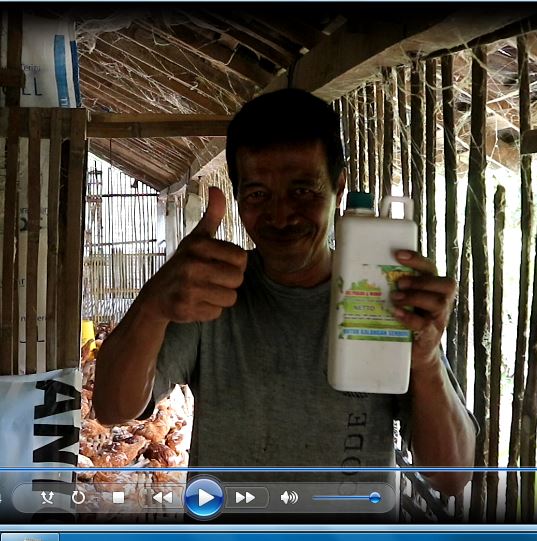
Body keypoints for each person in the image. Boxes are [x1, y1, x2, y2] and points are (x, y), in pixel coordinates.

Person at [93, 88, 476, 497]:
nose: (280, 215)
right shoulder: (212, 295)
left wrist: (426, 360)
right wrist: (153, 302)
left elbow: (451, 476)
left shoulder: (380, 299)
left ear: (339, 187)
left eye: (303, 190)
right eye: (258, 194)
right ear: (238, 198)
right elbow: (113, 408)